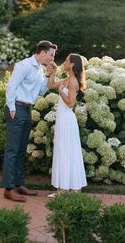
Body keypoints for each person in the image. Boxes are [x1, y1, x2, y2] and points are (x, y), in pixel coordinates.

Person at [2, 40, 57, 202]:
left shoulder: (39, 69)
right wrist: (11, 108)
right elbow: (11, 86)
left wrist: (47, 76)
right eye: (51, 55)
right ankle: (8, 189)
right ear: (42, 52)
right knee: (12, 150)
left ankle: (19, 185)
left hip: (27, 109)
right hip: (16, 109)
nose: (53, 58)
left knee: (20, 150)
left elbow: (40, 91)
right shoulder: (24, 65)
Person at [47, 53, 87, 197]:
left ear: (72, 65)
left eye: (66, 61)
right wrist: (54, 71)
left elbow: (70, 104)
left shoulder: (73, 82)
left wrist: (60, 92)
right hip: (63, 119)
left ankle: (64, 189)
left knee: (65, 151)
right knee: (64, 151)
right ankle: (66, 188)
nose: (64, 63)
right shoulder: (68, 79)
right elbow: (50, 84)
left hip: (67, 120)